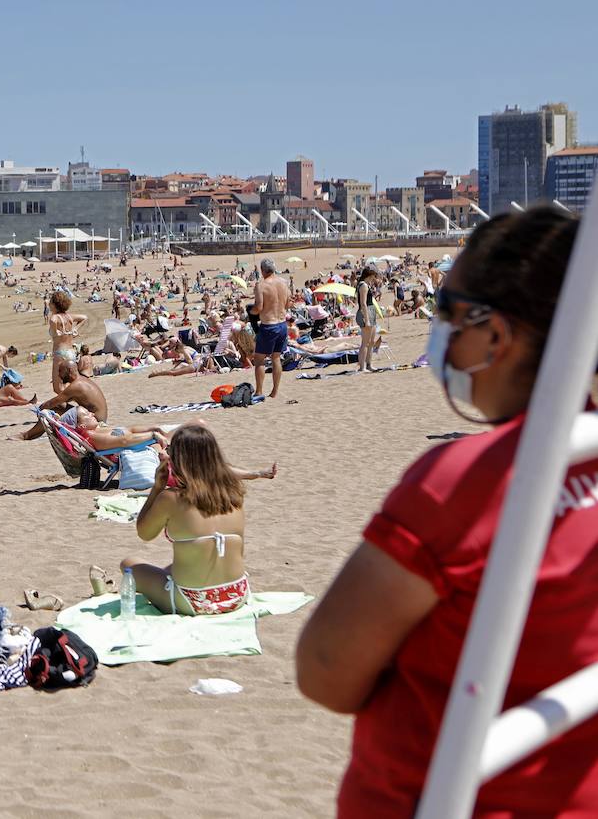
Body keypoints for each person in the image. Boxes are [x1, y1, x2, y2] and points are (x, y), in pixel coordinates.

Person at [295, 208, 598, 816]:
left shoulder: (466, 485)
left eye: (446, 309)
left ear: (495, 334)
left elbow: (326, 670)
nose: (438, 328)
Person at [119, 422, 275, 615]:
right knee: (177, 564)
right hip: (237, 595)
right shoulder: (234, 494)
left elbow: (144, 533)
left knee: (129, 564)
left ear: (180, 459)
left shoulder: (171, 498)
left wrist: (157, 489)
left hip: (193, 601)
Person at [14, 361, 108, 440]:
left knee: (50, 411)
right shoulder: (82, 381)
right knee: (58, 407)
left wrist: (40, 410)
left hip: (95, 421)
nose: (59, 375)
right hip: (96, 417)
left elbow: (51, 403)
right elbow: (61, 401)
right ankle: (35, 433)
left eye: (60, 371)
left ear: (69, 371)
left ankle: (27, 435)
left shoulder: (76, 386)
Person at [250, 257, 291, 398]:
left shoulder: (261, 285)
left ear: (262, 270)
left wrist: (250, 312)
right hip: (282, 324)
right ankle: (274, 391)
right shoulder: (284, 283)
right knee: (276, 358)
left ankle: (259, 391)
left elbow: (259, 307)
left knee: (260, 359)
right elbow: (287, 304)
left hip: (269, 325)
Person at [47, 290, 88, 394]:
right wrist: (75, 328)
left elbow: (53, 320)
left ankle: (69, 406)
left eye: (50, 303)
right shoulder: (69, 317)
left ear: (55, 304)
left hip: (60, 353)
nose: (49, 305)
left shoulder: (55, 317)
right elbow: (84, 318)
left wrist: (55, 330)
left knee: (57, 388)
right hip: (71, 353)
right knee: (70, 382)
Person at [355, 265, 381, 372]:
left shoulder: (367, 285)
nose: (374, 278)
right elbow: (363, 304)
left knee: (371, 342)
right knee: (365, 343)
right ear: (370, 275)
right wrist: (367, 319)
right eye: (374, 275)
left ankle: (369, 364)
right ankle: (362, 367)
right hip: (365, 313)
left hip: (370, 312)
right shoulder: (363, 286)